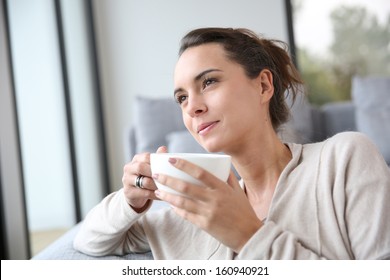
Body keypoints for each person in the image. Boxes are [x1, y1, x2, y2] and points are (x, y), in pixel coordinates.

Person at [74, 27, 390, 259]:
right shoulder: (187, 210)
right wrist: (129, 200)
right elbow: (88, 239)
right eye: (182, 97)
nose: (191, 107)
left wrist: (248, 235)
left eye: (208, 82)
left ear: (264, 86)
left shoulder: (344, 160)